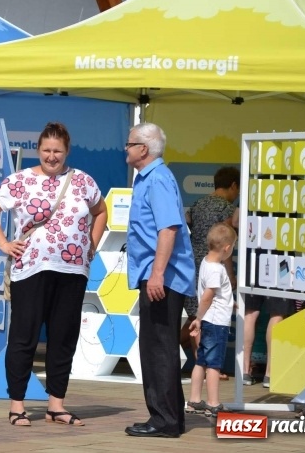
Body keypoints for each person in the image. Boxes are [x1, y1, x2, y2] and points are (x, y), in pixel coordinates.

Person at [0, 122, 107, 427]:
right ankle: (17, 405)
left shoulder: (83, 181)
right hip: (31, 269)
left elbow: (101, 211)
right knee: (24, 337)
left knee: (63, 338)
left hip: (73, 271)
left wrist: (91, 244)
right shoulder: (20, 181)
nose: (52, 156)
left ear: (67, 152)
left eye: (58, 151)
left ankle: (56, 405)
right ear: (39, 150)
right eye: (47, 150)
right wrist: (4, 244)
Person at [123, 123, 195, 439]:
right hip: (158, 275)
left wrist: (157, 273)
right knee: (156, 347)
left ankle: (164, 420)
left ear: (143, 149)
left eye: (129, 143)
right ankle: (169, 417)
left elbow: (168, 229)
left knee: (159, 349)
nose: (125, 148)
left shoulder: (158, 180)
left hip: (162, 279)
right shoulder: (150, 178)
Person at [184, 165, 239, 379]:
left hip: (194, 263)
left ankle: (201, 362)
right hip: (215, 264)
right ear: (233, 185)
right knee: (210, 317)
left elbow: (188, 223)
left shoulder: (198, 204)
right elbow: (224, 245)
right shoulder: (226, 209)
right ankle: (210, 366)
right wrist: (231, 275)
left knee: (195, 314)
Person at [185, 223, 236, 417]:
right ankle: (213, 403)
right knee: (214, 364)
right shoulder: (217, 269)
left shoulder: (206, 262)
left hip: (209, 319)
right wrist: (198, 318)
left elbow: (217, 294)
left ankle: (195, 400)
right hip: (215, 322)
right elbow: (208, 296)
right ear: (227, 248)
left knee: (202, 361)